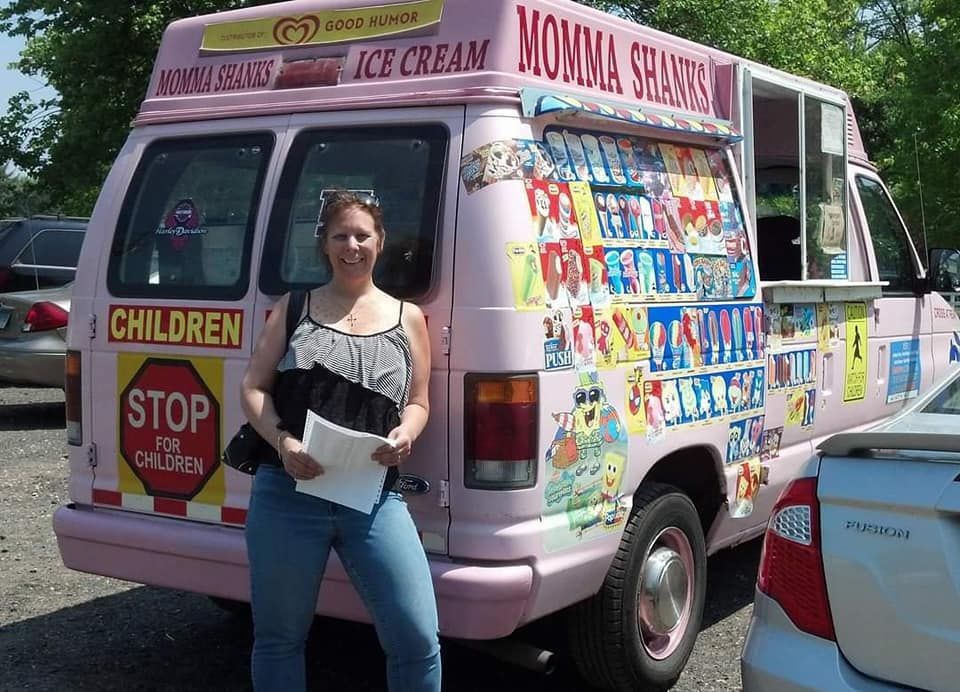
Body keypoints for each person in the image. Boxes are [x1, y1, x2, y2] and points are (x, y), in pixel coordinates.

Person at [239, 190, 440, 691]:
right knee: (279, 638)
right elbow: (254, 388)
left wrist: (407, 434)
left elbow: (419, 401)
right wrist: (283, 443)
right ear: (325, 245)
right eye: (340, 236)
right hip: (288, 494)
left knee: (418, 638)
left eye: (362, 236)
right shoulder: (293, 308)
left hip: (372, 496)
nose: (352, 246)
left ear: (381, 242)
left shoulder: (407, 317)